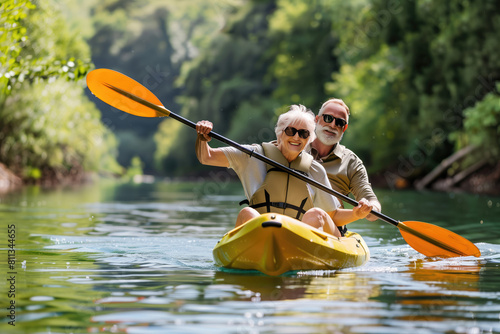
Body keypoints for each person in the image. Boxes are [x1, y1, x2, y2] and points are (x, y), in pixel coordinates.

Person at [195, 104, 372, 238]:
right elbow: (207, 157)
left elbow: (333, 215)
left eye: (303, 134)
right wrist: (202, 139)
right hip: (263, 234)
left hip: (300, 235)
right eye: (291, 131)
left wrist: (356, 213)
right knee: (247, 213)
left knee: (316, 214)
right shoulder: (252, 155)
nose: (296, 137)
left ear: (308, 139)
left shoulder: (315, 170)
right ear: (280, 132)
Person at [309, 98, 381, 225]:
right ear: (316, 119)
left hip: (329, 229)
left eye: (340, 122)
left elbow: (372, 202)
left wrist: (369, 208)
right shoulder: (295, 145)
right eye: (328, 118)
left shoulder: (351, 163)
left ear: (344, 128)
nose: (332, 125)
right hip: (289, 222)